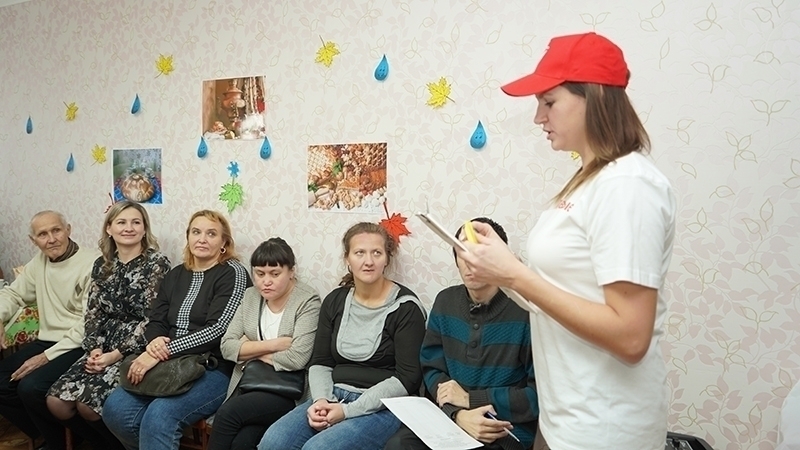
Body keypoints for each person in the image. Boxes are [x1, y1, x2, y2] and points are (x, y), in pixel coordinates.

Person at [459, 32, 677, 450]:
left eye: (549, 102)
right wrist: (503, 265)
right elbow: (563, 294)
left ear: (595, 96)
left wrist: (515, 275)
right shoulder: (588, 181)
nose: (538, 118)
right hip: (563, 415)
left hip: (604, 427)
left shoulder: (627, 185)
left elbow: (631, 337)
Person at [258, 222, 427, 450]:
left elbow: (408, 378)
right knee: (273, 441)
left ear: (387, 258)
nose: (368, 261)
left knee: (318, 449)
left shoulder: (406, 307)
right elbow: (320, 362)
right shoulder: (335, 300)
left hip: (385, 406)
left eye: (377, 253)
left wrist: (347, 411)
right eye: (360, 253)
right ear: (347, 258)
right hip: (332, 396)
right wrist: (321, 401)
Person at [102, 209, 252, 450]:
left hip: (212, 367)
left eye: (211, 234)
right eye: (196, 232)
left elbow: (218, 329)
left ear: (224, 242)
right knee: (115, 409)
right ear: (188, 237)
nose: (202, 239)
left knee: (159, 417)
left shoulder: (233, 273)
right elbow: (156, 319)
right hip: (167, 362)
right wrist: (154, 343)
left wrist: (162, 352)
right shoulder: (175, 275)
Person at [385, 217, 538, 450]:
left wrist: (470, 400)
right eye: (462, 253)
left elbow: (538, 396)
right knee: (398, 445)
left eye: (480, 253)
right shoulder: (445, 301)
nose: (470, 262)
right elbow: (432, 369)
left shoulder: (527, 311)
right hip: (451, 418)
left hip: (501, 427)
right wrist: (457, 414)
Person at [46, 201, 171, 450]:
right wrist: (94, 348)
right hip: (102, 344)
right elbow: (93, 312)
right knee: (56, 403)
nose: (129, 228)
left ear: (144, 229)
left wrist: (115, 355)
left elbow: (153, 319)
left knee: (87, 406)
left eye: (136, 222)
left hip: (136, 346)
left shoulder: (156, 263)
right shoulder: (101, 264)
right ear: (109, 228)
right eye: (121, 222)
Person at [208, 237, 321, 450]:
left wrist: (249, 348)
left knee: (228, 414)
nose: (266, 281)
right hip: (251, 384)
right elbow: (227, 347)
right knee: (242, 442)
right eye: (259, 274)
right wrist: (275, 345)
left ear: (291, 271)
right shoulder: (251, 296)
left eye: (274, 274)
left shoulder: (308, 301)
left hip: (288, 392)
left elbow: (297, 358)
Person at [0, 211, 97, 450]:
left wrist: (45, 357)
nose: (51, 239)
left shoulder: (92, 263)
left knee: (31, 387)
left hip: (78, 343)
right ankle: (56, 436)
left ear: (68, 230)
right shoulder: (38, 262)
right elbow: (13, 293)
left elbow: (89, 323)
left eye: (56, 230)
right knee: (2, 381)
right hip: (48, 341)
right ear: (33, 240)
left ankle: (72, 439)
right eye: (42, 234)